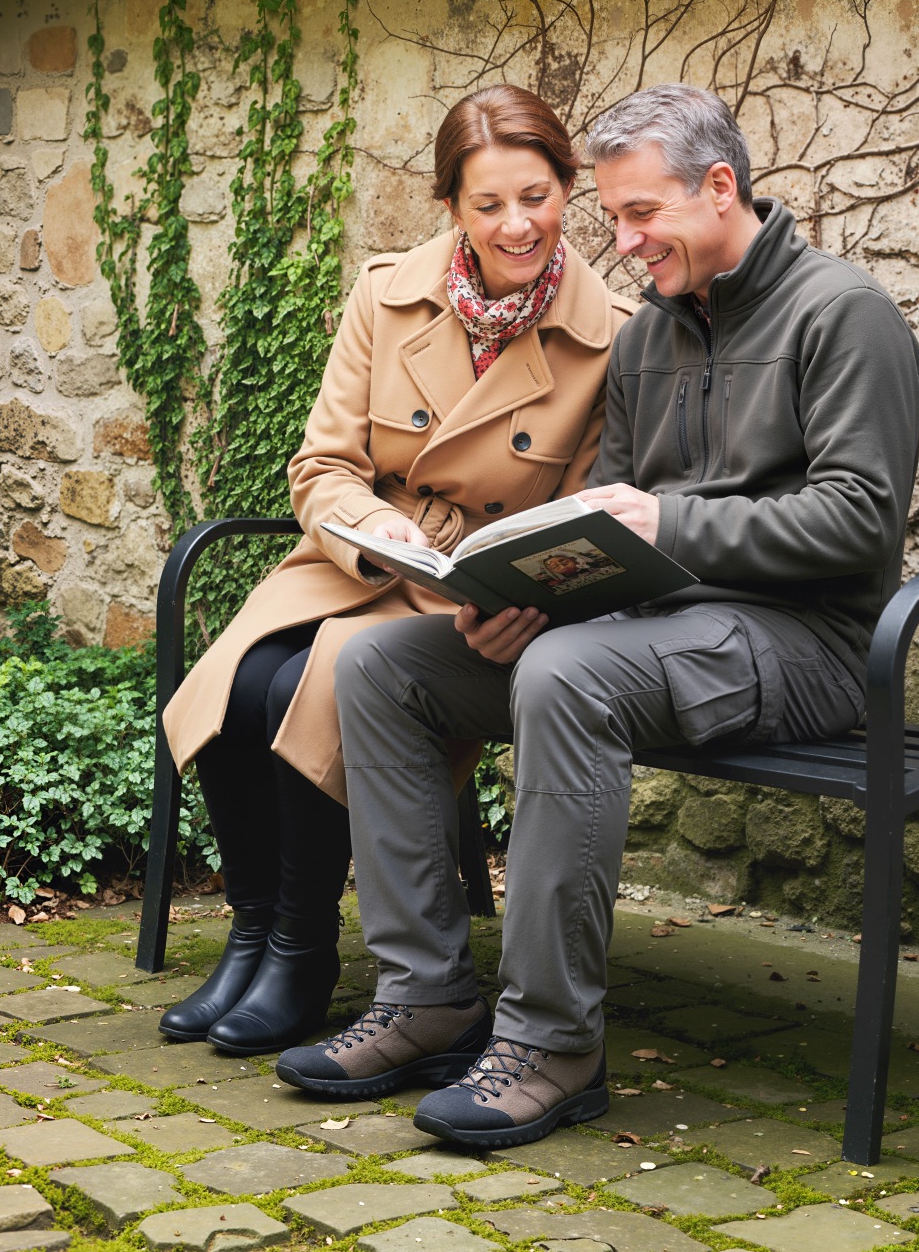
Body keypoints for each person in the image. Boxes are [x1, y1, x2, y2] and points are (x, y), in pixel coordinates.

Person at [277, 82, 919, 1146]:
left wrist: (668, 527)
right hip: (656, 633)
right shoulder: (648, 340)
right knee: (383, 665)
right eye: (614, 218)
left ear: (720, 187)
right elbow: (607, 528)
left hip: (806, 645)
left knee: (567, 677)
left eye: (640, 216)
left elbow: (856, 523)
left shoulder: (839, 313)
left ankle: (551, 1040)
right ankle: (425, 992)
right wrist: (528, 600)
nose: (620, 245)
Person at [157, 85, 635, 1056]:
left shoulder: (608, 335)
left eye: (535, 197)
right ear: (451, 204)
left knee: (308, 681)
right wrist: (376, 532)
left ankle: (300, 949)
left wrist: (526, 602)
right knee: (235, 681)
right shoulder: (385, 293)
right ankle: (253, 931)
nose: (516, 225)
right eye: (489, 203)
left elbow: (591, 519)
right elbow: (321, 463)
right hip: (363, 555)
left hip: (477, 601)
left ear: (567, 189)